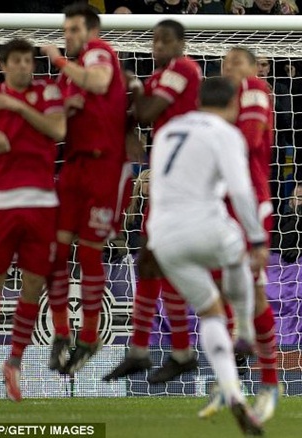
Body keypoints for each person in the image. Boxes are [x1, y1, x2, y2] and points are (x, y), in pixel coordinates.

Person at [149, 76, 267, 435]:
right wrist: (258, 238)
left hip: (163, 235)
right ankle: (245, 329)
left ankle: (233, 392)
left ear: (198, 101)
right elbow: (241, 189)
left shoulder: (168, 130)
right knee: (238, 256)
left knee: (210, 311)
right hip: (206, 225)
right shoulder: (225, 132)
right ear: (233, 104)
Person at [102, 19, 202, 383]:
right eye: (155, 41)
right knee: (151, 260)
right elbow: (132, 117)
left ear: (181, 44)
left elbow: (143, 113)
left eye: (166, 40)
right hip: (164, 174)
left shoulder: (184, 70)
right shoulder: (158, 78)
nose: (158, 46)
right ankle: (158, 350)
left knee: (161, 258)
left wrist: (130, 87)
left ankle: (173, 350)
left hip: (183, 176)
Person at [0, 38, 66, 401]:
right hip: (2, 202)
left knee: (32, 284)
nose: (24, 66)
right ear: (4, 64)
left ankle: (15, 362)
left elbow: (58, 131)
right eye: (17, 61)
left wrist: (17, 106)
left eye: (29, 60)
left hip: (41, 202)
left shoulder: (48, 93)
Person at [42, 3, 130, 375]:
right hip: (74, 167)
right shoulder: (68, 78)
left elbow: (98, 82)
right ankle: (62, 332)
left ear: (91, 31)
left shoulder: (98, 53)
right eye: (66, 31)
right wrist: (61, 106)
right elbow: (57, 128)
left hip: (103, 167)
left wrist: (59, 61)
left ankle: (90, 335)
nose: (69, 37)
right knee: (56, 251)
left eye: (75, 30)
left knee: (89, 255)